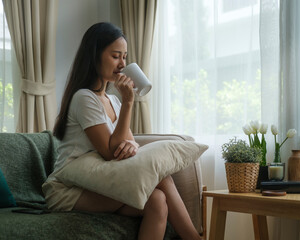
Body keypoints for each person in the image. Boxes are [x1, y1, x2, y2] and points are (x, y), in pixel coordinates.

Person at [42, 22, 201, 240]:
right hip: (70, 189)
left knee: (157, 201)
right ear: (95, 56)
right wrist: (129, 103)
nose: (122, 64)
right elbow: (111, 152)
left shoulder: (113, 101)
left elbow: (126, 146)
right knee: (161, 178)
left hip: (100, 180)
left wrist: (131, 144)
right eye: (115, 56)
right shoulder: (84, 98)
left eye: (124, 57)